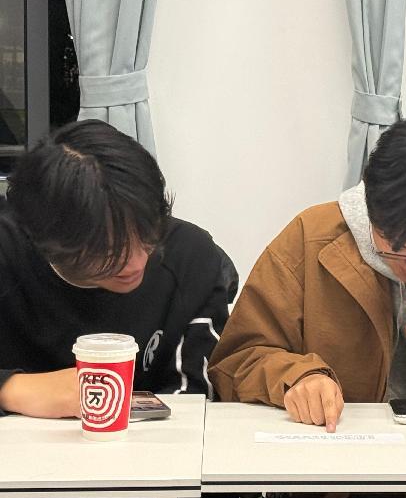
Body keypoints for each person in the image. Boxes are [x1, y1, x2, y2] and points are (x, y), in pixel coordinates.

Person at [209, 115, 406, 431]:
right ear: (370, 209)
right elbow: (236, 361)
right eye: (397, 248)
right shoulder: (312, 240)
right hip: (339, 459)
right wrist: (297, 377)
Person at [0, 119, 237, 418]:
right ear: (45, 238)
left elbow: (195, 402)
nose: (136, 263)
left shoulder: (189, 256)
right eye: (108, 251)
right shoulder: (8, 252)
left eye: (148, 236)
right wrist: (12, 389)